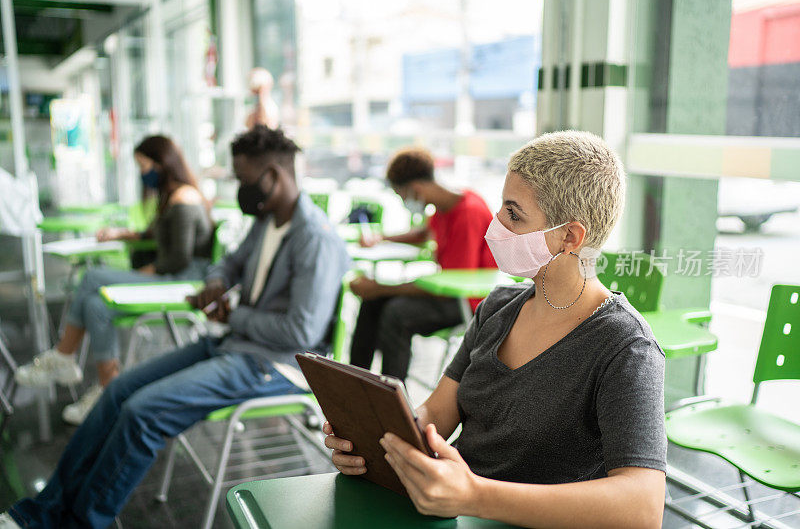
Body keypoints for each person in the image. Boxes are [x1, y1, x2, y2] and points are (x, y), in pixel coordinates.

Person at [3, 126, 350, 529]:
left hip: (275, 363)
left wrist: (228, 314)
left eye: (242, 179)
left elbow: (300, 333)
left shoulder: (316, 238)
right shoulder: (268, 221)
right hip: (235, 344)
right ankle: (40, 515)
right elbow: (229, 262)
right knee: (116, 392)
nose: (238, 188)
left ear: (271, 176)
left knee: (142, 413)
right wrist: (218, 282)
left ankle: (78, 523)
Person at [323, 131, 667, 528]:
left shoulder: (624, 347)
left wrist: (476, 495)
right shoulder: (498, 309)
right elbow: (437, 411)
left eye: (514, 214)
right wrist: (380, 438)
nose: (496, 223)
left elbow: (643, 507)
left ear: (570, 237)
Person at [15, 135, 214, 425]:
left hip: (182, 282)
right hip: (171, 275)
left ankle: (63, 356)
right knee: (96, 304)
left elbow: (178, 259)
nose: (141, 173)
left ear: (161, 165)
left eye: (144, 166)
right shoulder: (173, 196)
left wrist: (138, 276)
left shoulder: (184, 199)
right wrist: (122, 234)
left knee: (94, 276)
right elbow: (154, 235)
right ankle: (109, 391)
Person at [348, 147, 495, 381]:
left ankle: (392, 402)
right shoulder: (445, 206)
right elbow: (423, 233)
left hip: (465, 302)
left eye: (402, 196)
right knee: (372, 302)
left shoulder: (468, 214)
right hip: (448, 292)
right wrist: (382, 237)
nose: (404, 202)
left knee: (396, 313)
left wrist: (379, 286)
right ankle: (354, 383)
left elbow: (451, 286)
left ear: (415, 190)